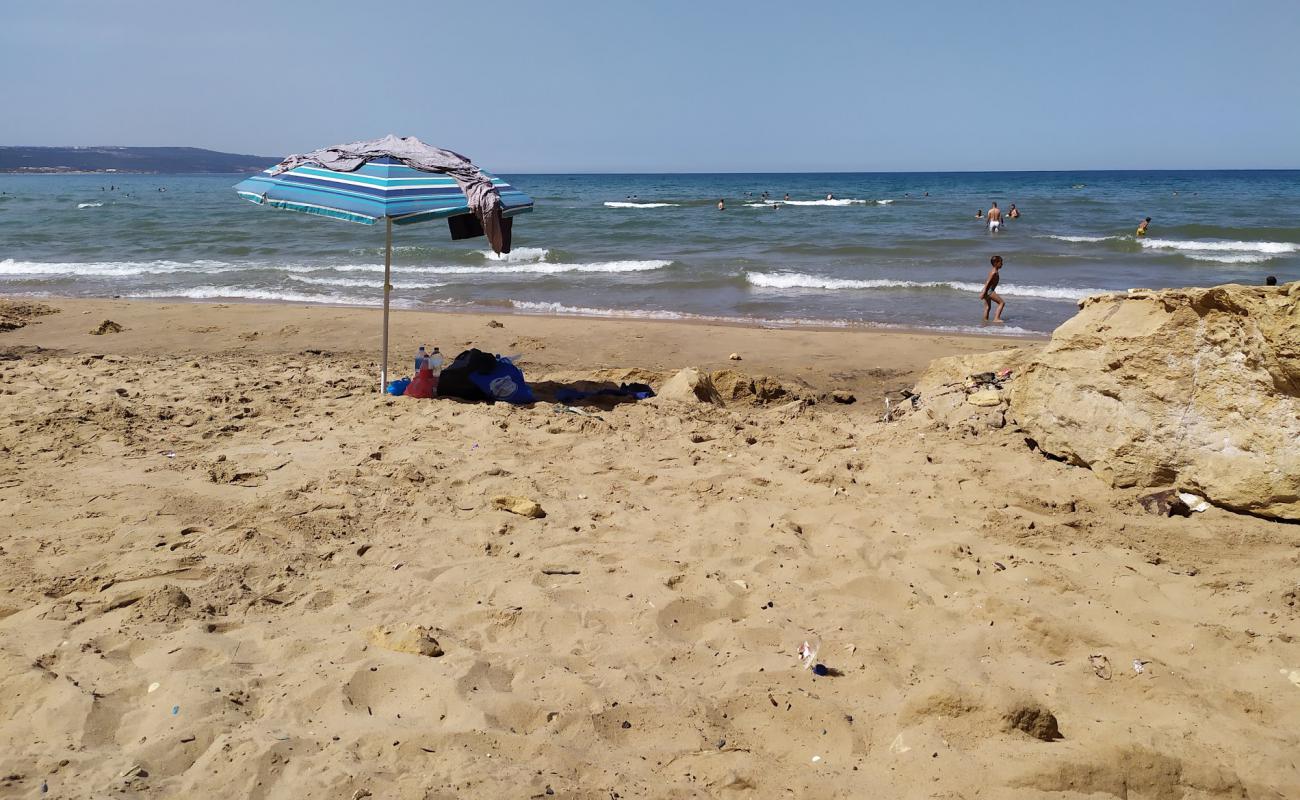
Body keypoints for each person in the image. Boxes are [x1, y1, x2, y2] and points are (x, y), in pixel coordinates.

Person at [981, 255, 1006, 323]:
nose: (1002, 264)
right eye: (1000, 262)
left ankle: (985, 320)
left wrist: (984, 291)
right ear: (995, 263)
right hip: (989, 291)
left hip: (987, 290)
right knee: (1002, 303)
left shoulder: (994, 271)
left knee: (987, 307)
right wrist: (984, 292)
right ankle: (996, 318)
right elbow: (988, 282)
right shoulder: (994, 272)